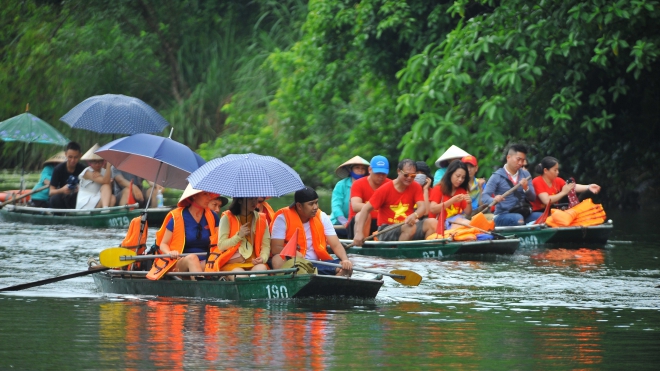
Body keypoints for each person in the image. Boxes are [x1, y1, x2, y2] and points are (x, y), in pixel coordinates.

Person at [270, 187, 353, 276]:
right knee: (277, 259)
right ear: (299, 206)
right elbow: (275, 248)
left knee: (346, 268)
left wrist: (345, 260)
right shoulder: (283, 218)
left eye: (316, 202)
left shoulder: (322, 216)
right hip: (295, 263)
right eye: (311, 204)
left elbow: (336, 244)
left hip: (316, 263)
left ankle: (328, 288)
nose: (315, 207)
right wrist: (293, 253)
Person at [353, 159, 437, 245]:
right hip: (386, 230)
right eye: (406, 175)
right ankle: (400, 254)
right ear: (398, 172)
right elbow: (365, 210)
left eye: (413, 176)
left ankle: (424, 250)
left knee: (433, 222)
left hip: (408, 226)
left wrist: (414, 215)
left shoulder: (416, 187)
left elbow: (422, 208)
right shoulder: (384, 189)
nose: (409, 178)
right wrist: (359, 233)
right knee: (409, 227)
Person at [146, 184, 219, 280]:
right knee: (192, 258)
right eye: (205, 194)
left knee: (218, 262)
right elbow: (163, 244)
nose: (209, 198)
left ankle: (202, 283)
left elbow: (219, 242)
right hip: (180, 262)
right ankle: (201, 289)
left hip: (205, 262)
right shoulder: (177, 216)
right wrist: (170, 252)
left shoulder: (213, 216)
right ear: (194, 196)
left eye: (209, 194)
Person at [205, 197, 270, 280]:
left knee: (262, 269)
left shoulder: (262, 219)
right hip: (233, 263)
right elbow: (221, 245)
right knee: (241, 277)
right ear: (239, 200)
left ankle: (251, 282)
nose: (254, 202)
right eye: (250, 199)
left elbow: (266, 245)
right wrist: (239, 236)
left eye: (256, 198)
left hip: (253, 263)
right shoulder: (227, 217)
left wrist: (263, 258)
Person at [481, 144, 541, 226]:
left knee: (544, 217)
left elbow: (533, 198)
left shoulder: (525, 174)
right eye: (518, 159)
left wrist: (526, 188)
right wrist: (494, 199)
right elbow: (484, 196)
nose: (520, 163)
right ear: (508, 158)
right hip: (503, 215)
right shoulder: (497, 176)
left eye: (523, 160)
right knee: (518, 219)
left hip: (523, 212)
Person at [531, 156, 601, 212]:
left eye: (558, 170)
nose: (557, 172)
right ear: (545, 170)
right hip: (540, 211)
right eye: (555, 170)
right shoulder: (537, 181)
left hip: (554, 211)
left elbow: (572, 187)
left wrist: (588, 187)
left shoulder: (558, 180)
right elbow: (546, 201)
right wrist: (563, 193)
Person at [346, 155, 392, 238]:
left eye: (383, 173)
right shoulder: (358, 184)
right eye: (378, 173)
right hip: (360, 222)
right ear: (370, 170)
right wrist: (377, 206)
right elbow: (356, 206)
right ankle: (360, 245)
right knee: (365, 214)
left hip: (383, 223)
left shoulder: (391, 185)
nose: (381, 176)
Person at [429, 161, 473, 228]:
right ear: (450, 174)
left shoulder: (462, 191)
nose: (460, 179)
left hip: (457, 220)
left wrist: (469, 203)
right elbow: (433, 209)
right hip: (440, 224)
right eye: (457, 176)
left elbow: (468, 212)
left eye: (463, 177)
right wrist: (452, 201)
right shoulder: (438, 189)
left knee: (465, 223)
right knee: (463, 223)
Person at [330, 156, 369, 227]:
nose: (360, 170)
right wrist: (344, 221)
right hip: (339, 223)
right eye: (357, 167)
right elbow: (336, 206)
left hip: (360, 221)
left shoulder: (368, 185)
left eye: (363, 168)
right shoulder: (341, 185)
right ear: (350, 169)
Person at [76, 144, 116, 209]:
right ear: (90, 162)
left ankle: (105, 212)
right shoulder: (87, 172)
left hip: (99, 197)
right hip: (86, 200)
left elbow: (109, 187)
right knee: (106, 185)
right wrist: (108, 166)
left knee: (113, 198)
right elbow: (105, 181)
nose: (98, 164)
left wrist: (109, 181)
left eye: (100, 162)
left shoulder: (104, 171)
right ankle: (105, 209)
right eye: (95, 162)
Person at [49, 141, 85, 209]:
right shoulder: (58, 169)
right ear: (65, 154)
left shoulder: (84, 169)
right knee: (54, 199)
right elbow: (51, 192)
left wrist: (80, 189)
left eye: (76, 157)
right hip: (62, 196)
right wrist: (62, 190)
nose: (72, 160)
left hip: (77, 197)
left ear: (80, 156)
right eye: (70, 157)